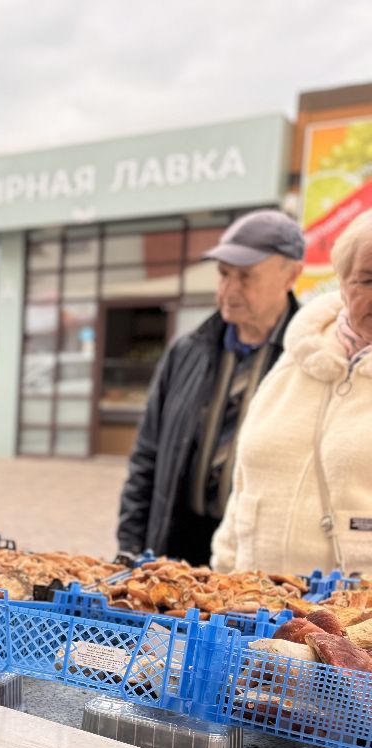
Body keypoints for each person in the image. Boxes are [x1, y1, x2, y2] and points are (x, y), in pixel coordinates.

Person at [116, 209, 304, 565]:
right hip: (175, 545)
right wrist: (130, 546)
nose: (229, 290)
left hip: (254, 557)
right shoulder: (187, 351)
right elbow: (147, 457)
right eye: (223, 275)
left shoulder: (309, 358)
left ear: (291, 275)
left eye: (246, 276)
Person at [211, 209, 372, 576]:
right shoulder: (297, 359)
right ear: (343, 283)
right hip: (253, 608)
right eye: (368, 279)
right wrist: (221, 579)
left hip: (355, 624)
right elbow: (245, 487)